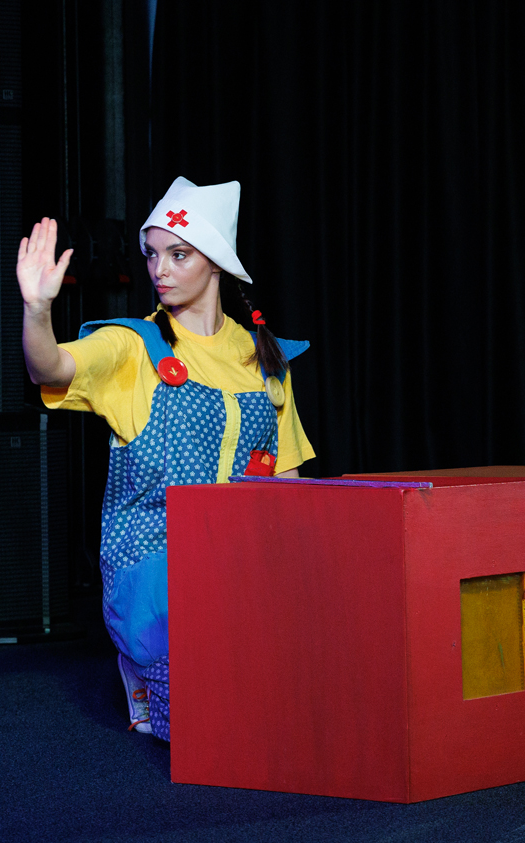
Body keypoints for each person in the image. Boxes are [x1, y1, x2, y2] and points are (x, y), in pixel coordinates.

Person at [17, 177, 314, 740]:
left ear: (216, 263)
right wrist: (37, 309)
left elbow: (288, 476)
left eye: (178, 255)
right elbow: (49, 368)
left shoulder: (263, 356)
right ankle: (150, 677)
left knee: (289, 713)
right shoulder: (132, 347)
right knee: (207, 732)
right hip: (157, 567)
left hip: (242, 562)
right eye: (152, 255)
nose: (160, 269)